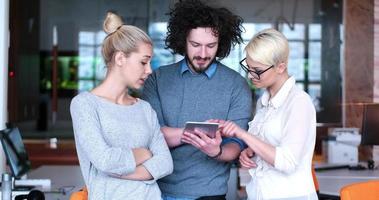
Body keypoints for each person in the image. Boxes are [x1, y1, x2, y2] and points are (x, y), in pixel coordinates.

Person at [142, 0, 252, 199]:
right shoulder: (157, 79)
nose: (203, 54)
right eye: (195, 45)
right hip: (155, 192)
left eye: (211, 46)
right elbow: (151, 136)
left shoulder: (237, 85)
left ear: (221, 44)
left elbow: (235, 146)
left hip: (208, 194)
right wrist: (192, 133)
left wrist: (216, 151)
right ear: (183, 40)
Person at [70, 12, 173, 200]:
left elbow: (166, 163)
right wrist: (145, 153)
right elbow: (105, 160)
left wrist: (121, 171)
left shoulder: (144, 109)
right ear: (120, 59)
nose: (149, 70)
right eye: (143, 62)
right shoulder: (85, 104)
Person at [218, 28, 318, 200]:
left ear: (281, 67)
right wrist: (249, 152)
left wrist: (241, 134)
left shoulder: (299, 102)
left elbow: (287, 162)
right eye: (248, 67)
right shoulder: (264, 102)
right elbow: (266, 147)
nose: (250, 75)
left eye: (257, 70)